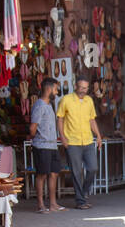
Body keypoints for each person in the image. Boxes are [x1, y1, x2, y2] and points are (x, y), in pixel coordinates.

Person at [56, 78, 101, 210]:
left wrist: (98, 136)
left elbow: (92, 120)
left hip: (87, 140)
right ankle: (80, 201)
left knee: (93, 168)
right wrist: (62, 137)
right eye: (81, 87)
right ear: (75, 86)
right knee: (76, 172)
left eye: (85, 88)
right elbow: (60, 119)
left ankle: (83, 192)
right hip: (72, 141)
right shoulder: (66, 100)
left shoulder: (89, 101)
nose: (83, 90)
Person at [29, 77, 64, 213]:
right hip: (42, 146)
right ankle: (40, 205)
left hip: (52, 146)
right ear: (49, 89)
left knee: (54, 174)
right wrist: (38, 139)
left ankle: (53, 204)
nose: (56, 92)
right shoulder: (39, 105)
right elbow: (33, 128)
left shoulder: (49, 105)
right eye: (55, 89)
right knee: (42, 175)